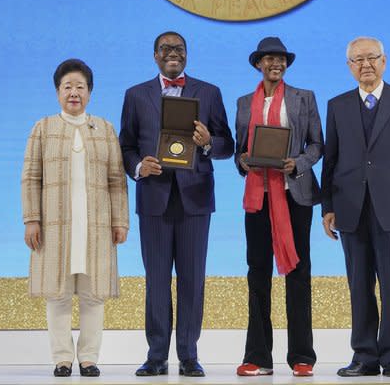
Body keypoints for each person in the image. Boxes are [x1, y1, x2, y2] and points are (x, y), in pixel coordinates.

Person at [119, 31, 234, 377]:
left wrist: (208, 142)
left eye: (179, 49)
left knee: (192, 280)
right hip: (154, 198)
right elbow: (125, 146)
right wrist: (140, 167)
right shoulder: (135, 95)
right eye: (166, 49)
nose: (173, 53)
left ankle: (188, 354)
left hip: (195, 199)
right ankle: (156, 356)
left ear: (187, 55)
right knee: (156, 280)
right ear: (155, 55)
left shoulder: (209, 92)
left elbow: (228, 144)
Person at [321, 37, 390, 378]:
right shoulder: (337, 105)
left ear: (385, 61)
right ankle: (364, 356)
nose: (365, 64)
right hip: (350, 207)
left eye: (371, 58)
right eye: (357, 60)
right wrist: (328, 207)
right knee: (359, 285)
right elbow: (331, 159)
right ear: (349, 66)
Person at [21, 58, 129, 377]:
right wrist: (31, 219)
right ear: (57, 92)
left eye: (80, 87)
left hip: (95, 227)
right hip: (54, 227)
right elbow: (31, 177)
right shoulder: (43, 128)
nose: (74, 92)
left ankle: (89, 358)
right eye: (67, 86)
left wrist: (120, 220)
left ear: (90, 93)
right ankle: (62, 358)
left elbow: (116, 180)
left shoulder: (105, 129)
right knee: (58, 295)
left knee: (93, 295)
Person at [234, 37, 323, 377]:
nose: (277, 63)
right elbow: (242, 150)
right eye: (270, 58)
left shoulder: (305, 98)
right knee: (258, 273)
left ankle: (302, 355)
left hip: (294, 195)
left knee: (299, 273)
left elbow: (318, 144)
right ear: (258, 63)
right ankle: (257, 356)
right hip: (257, 197)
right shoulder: (244, 103)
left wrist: (298, 163)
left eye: (282, 59)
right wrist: (242, 160)